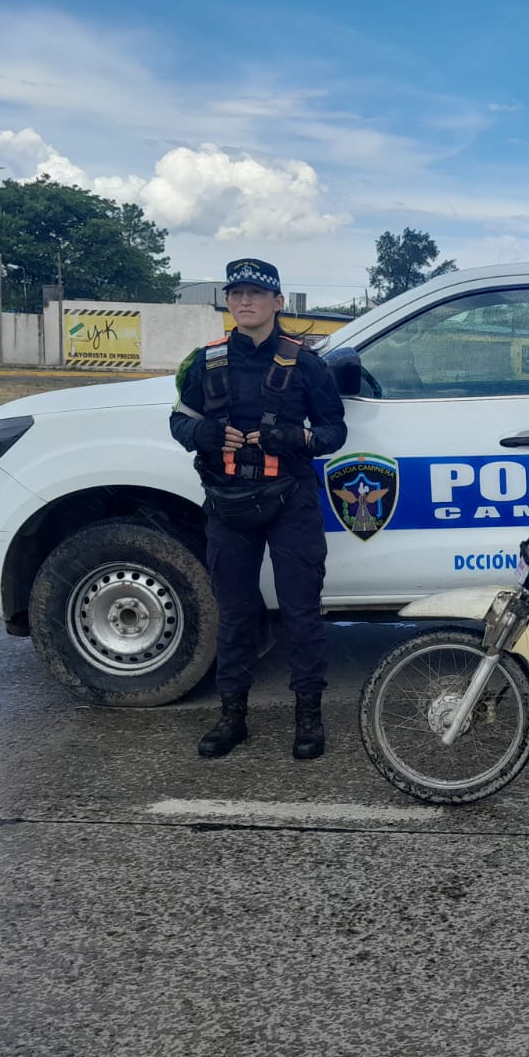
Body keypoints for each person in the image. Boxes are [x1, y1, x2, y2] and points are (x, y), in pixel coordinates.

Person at [169, 258, 347, 759]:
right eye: (237, 293)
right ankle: (232, 717)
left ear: (277, 302)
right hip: (227, 504)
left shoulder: (307, 364)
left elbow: (334, 431)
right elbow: (179, 422)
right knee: (236, 613)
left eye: (256, 293)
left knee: (301, 613)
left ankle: (308, 718)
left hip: (291, 500)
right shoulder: (205, 362)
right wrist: (203, 432)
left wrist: (293, 436)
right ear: (229, 301)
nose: (244, 301)